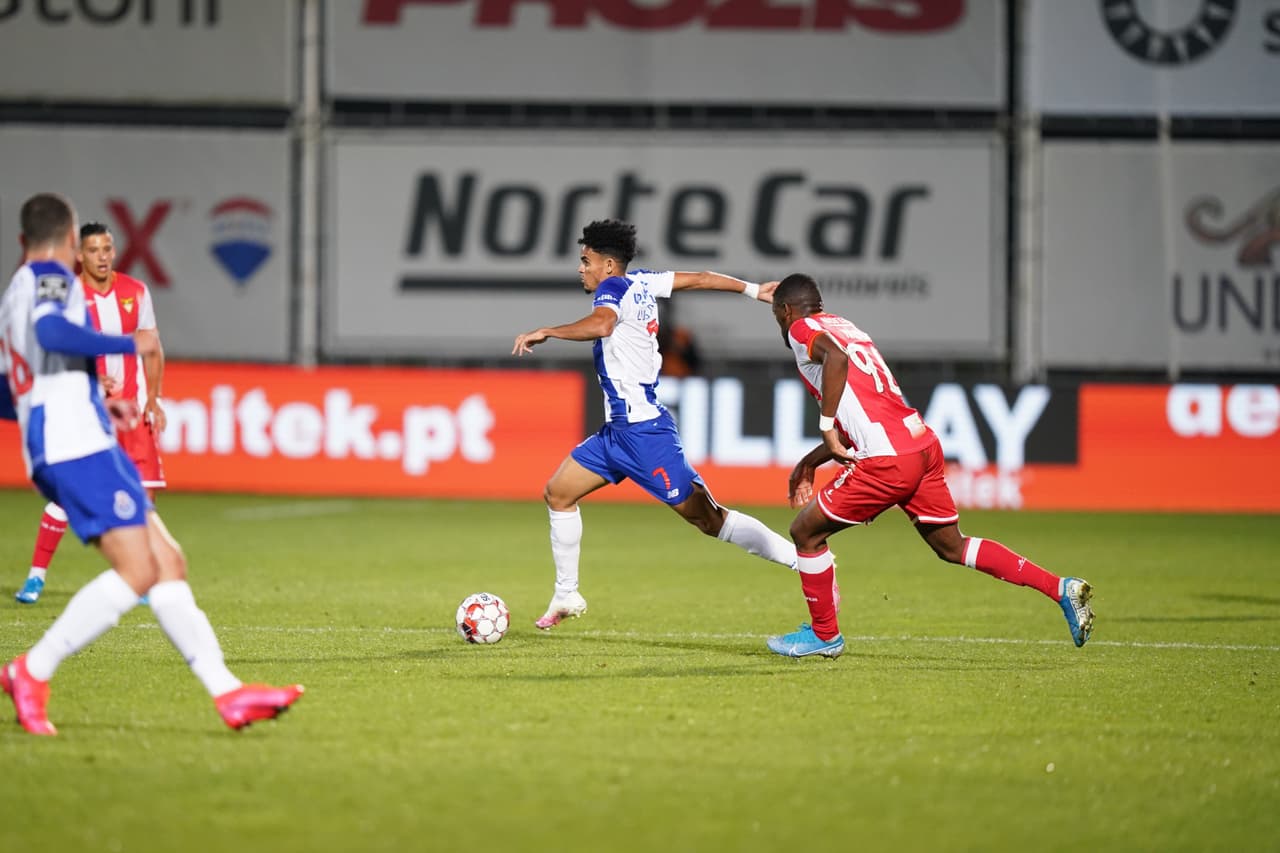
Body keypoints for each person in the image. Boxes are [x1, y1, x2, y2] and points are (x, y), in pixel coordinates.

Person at [0, 192, 303, 735]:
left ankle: (228, 693)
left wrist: (91, 396)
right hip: (73, 444)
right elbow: (51, 333)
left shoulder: (14, 293)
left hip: (78, 435)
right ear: (71, 238)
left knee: (166, 561)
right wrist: (127, 342)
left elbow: (11, 388)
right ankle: (31, 670)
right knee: (138, 569)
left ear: (22, 239)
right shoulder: (49, 276)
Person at [761, 273, 1094, 658]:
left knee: (805, 532)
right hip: (919, 444)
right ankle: (1060, 588)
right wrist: (811, 461)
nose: (780, 327)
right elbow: (864, 410)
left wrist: (824, 430)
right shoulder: (847, 326)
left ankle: (824, 635)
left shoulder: (802, 330)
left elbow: (834, 360)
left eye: (776, 317)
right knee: (952, 546)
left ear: (786, 312)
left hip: (887, 460)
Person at [512, 219, 800, 629]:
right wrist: (752, 290)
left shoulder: (613, 289)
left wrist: (548, 331)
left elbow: (602, 325)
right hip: (616, 434)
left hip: (646, 435)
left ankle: (800, 560)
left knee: (708, 519)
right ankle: (566, 594)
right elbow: (699, 278)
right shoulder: (643, 282)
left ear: (608, 265)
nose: (581, 269)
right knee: (558, 494)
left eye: (586, 261)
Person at [17, 221, 168, 604]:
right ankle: (36, 576)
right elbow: (55, 348)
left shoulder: (136, 292)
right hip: (88, 414)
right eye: (94, 250)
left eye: (108, 248)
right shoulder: (68, 296)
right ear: (79, 254)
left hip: (132, 414)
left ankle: (141, 579)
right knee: (67, 496)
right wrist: (91, 380)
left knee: (143, 500)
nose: (102, 256)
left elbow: (152, 345)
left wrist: (154, 398)